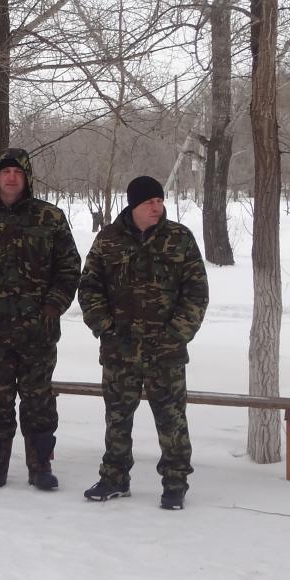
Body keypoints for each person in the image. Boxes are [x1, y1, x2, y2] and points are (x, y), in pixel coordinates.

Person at [0, 148, 82, 491]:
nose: (11, 178)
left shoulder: (49, 218)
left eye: (18, 173)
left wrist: (53, 306)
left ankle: (40, 467)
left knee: (39, 400)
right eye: (5, 172)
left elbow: (69, 267)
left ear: (27, 179)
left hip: (39, 330)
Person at [77, 175, 209, 510]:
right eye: (150, 202)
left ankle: (175, 482)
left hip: (166, 351)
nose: (157, 207)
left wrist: (175, 335)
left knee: (172, 419)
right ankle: (114, 477)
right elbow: (89, 287)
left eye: (160, 201)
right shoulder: (109, 240)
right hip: (120, 350)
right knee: (117, 418)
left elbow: (196, 294)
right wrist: (105, 327)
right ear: (134, 205)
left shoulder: (179, 239)